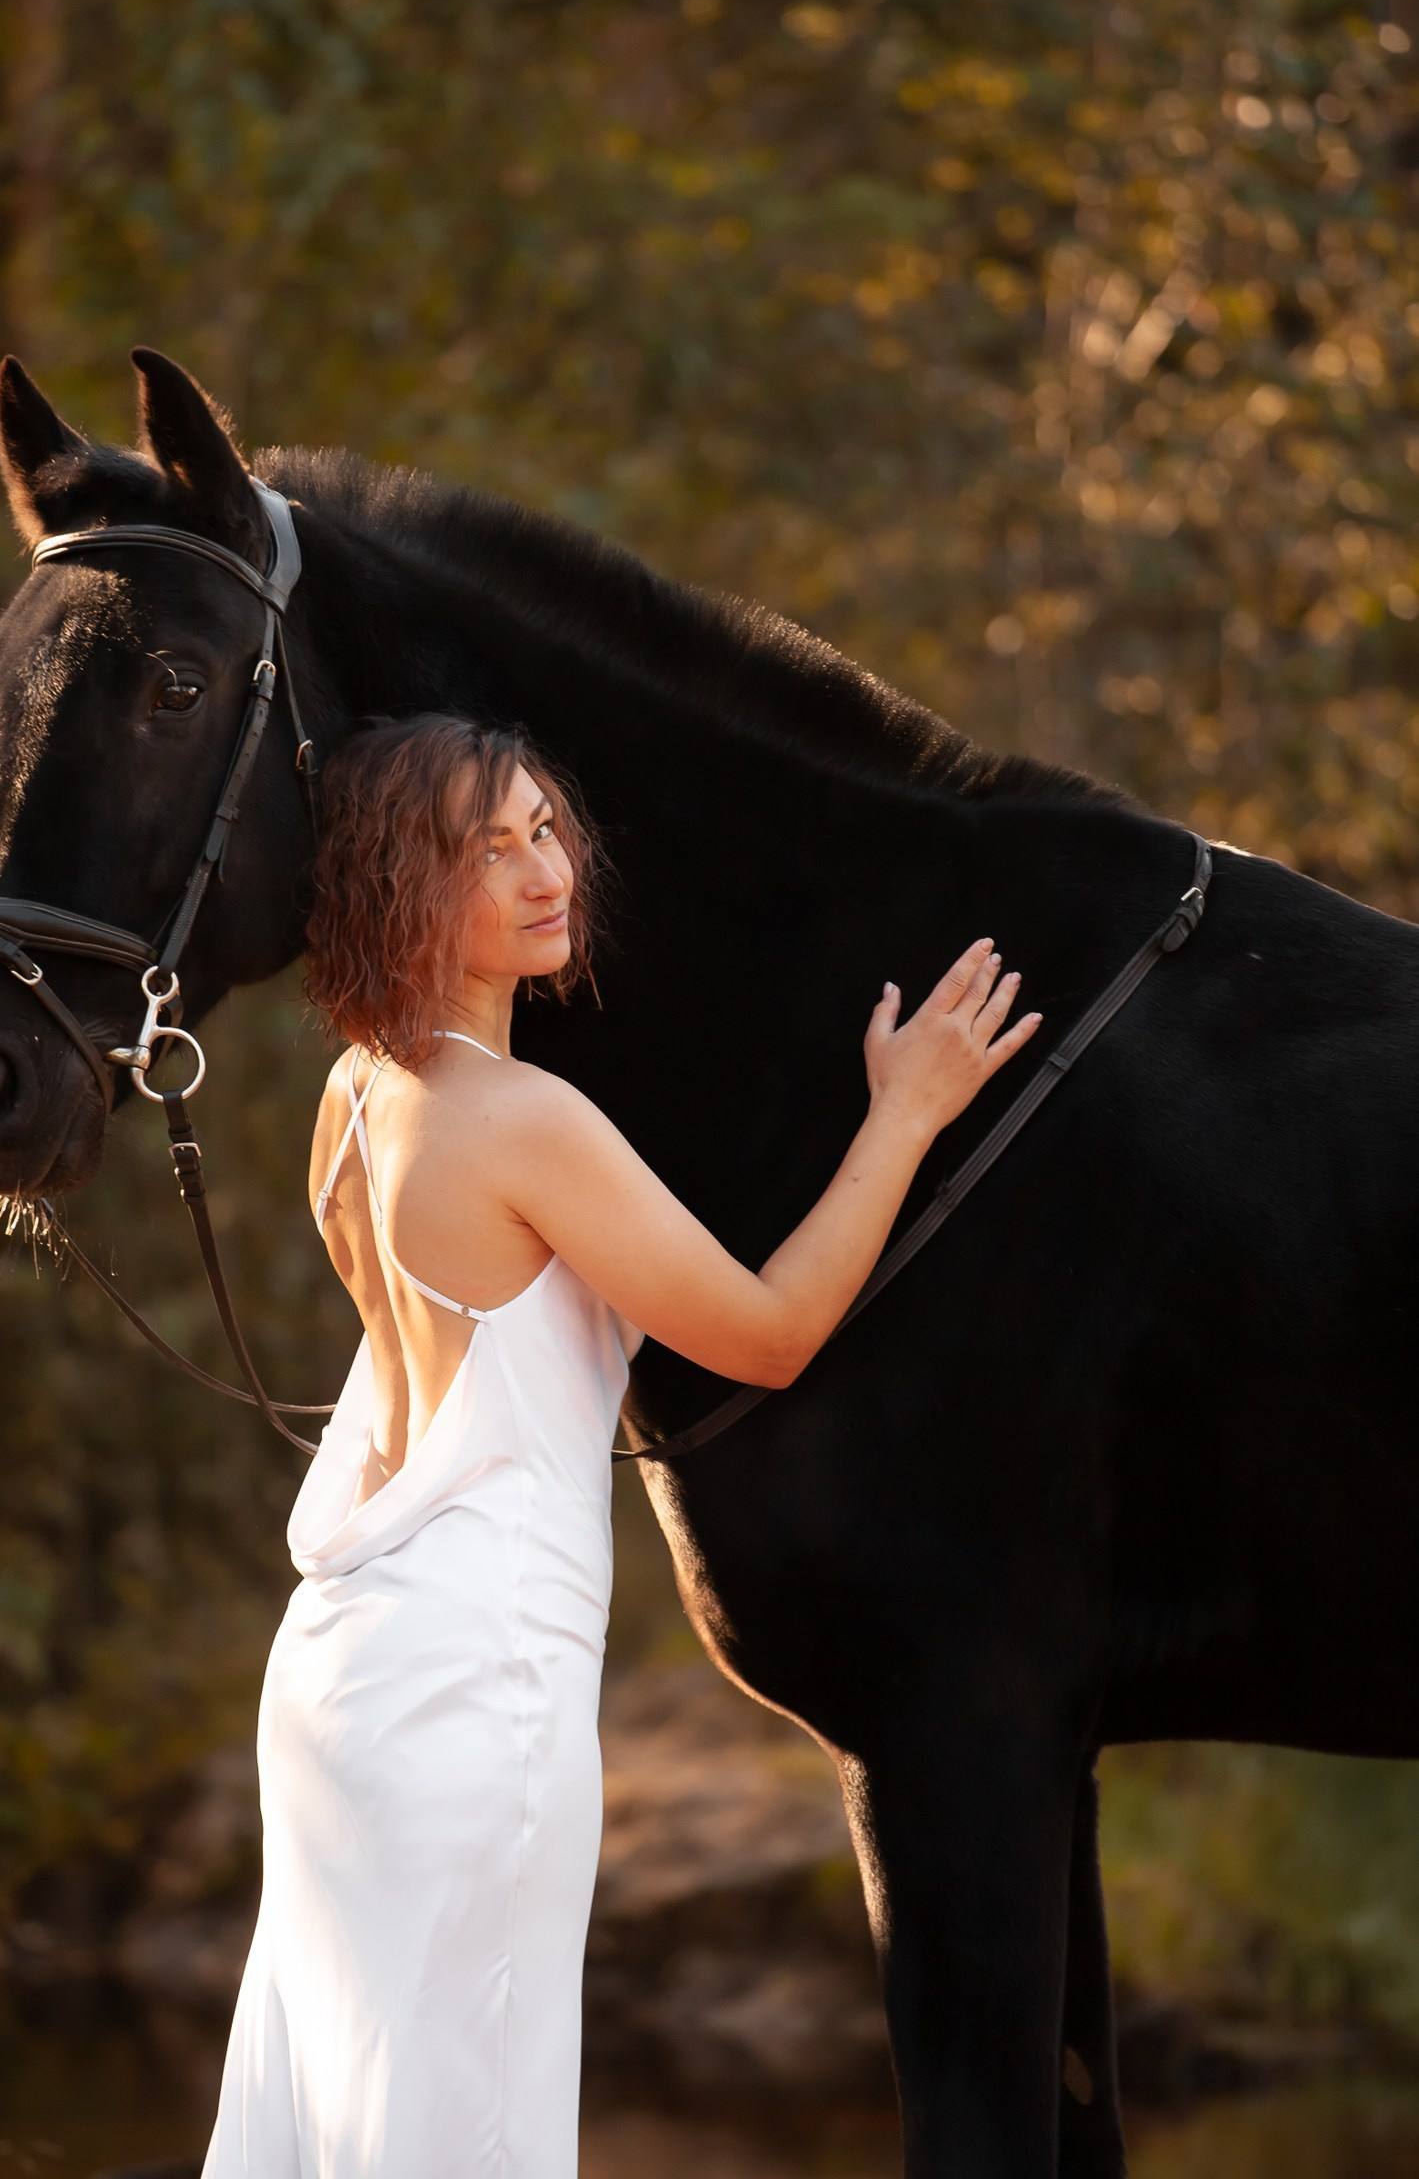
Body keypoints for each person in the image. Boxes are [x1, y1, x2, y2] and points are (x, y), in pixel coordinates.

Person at [200, 712, 1040, 2179]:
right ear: (401, 883)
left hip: (343, 1674)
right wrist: (904, 1113)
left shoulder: (354, 1095)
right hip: (477, 1687)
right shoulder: (524, 1120)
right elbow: (769, 1334)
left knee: (338, 2113)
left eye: (546, 828)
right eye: (487, 850)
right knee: (463, 2128)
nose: (543, 872)